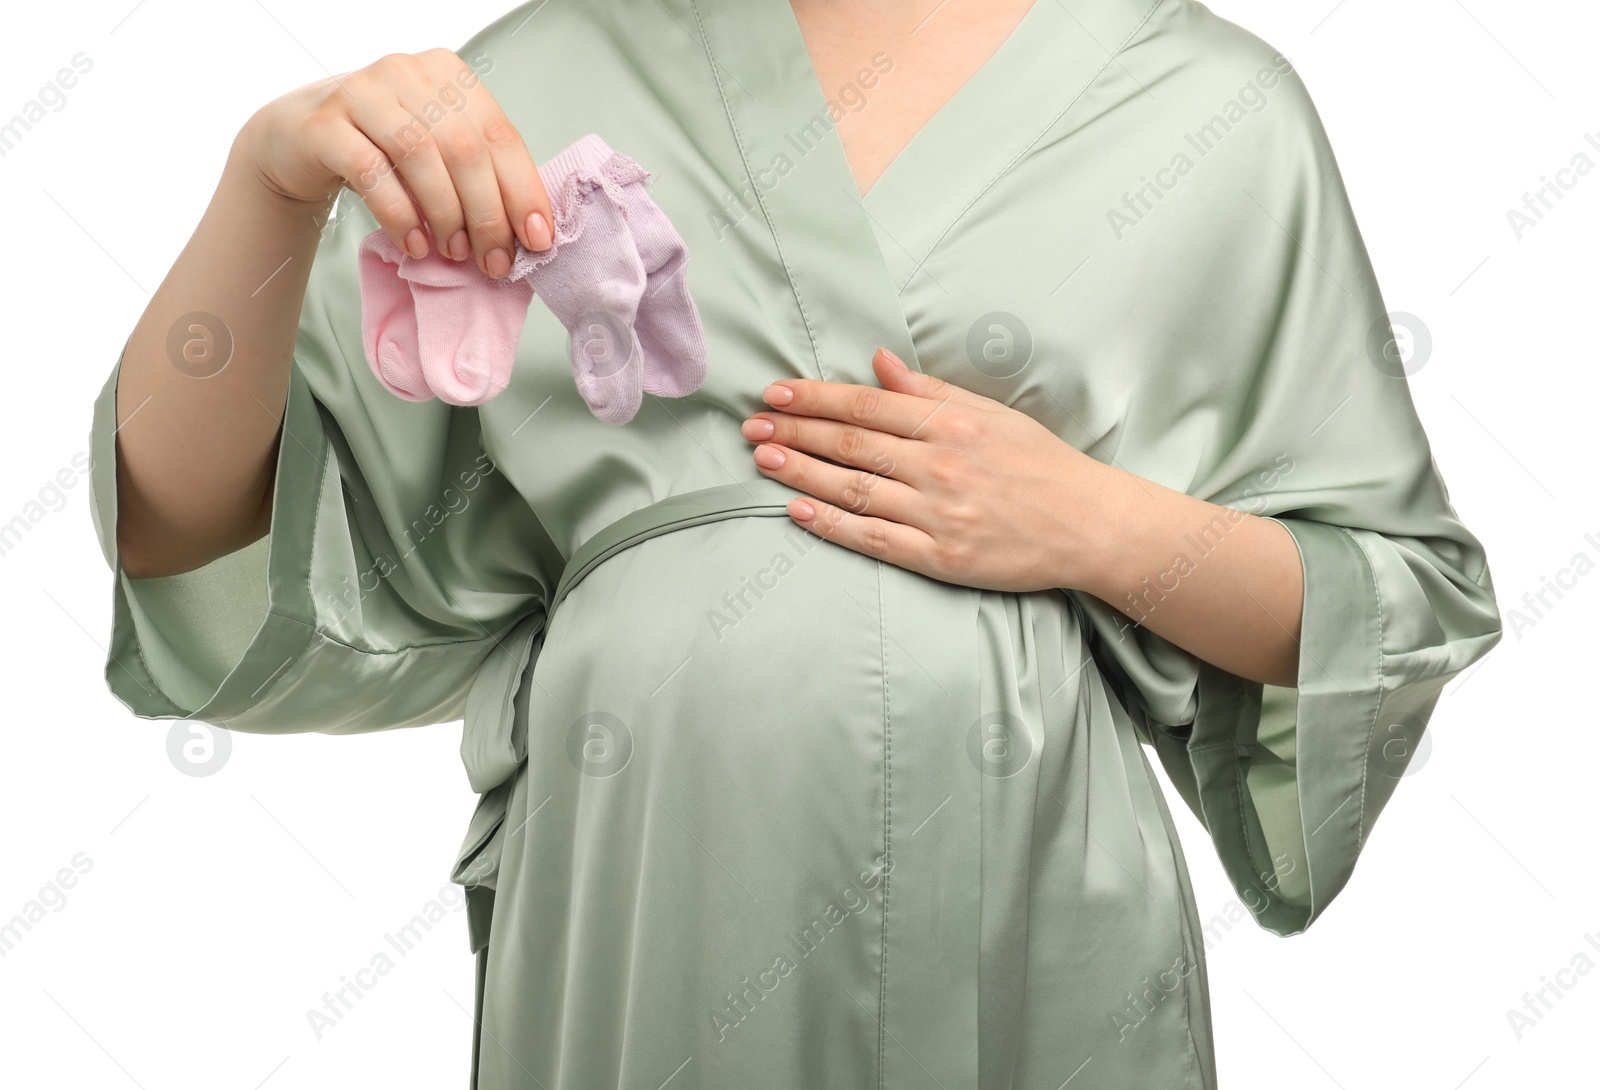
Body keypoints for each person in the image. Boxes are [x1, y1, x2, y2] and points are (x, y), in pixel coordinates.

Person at [85, 0, 1504, 1086]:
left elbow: (1396, 604)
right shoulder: (540, 77)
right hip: (638, 890)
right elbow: (199, 537)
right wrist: (267, 183)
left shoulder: (1209, 110)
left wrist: (1097, 522)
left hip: (1027, 896)